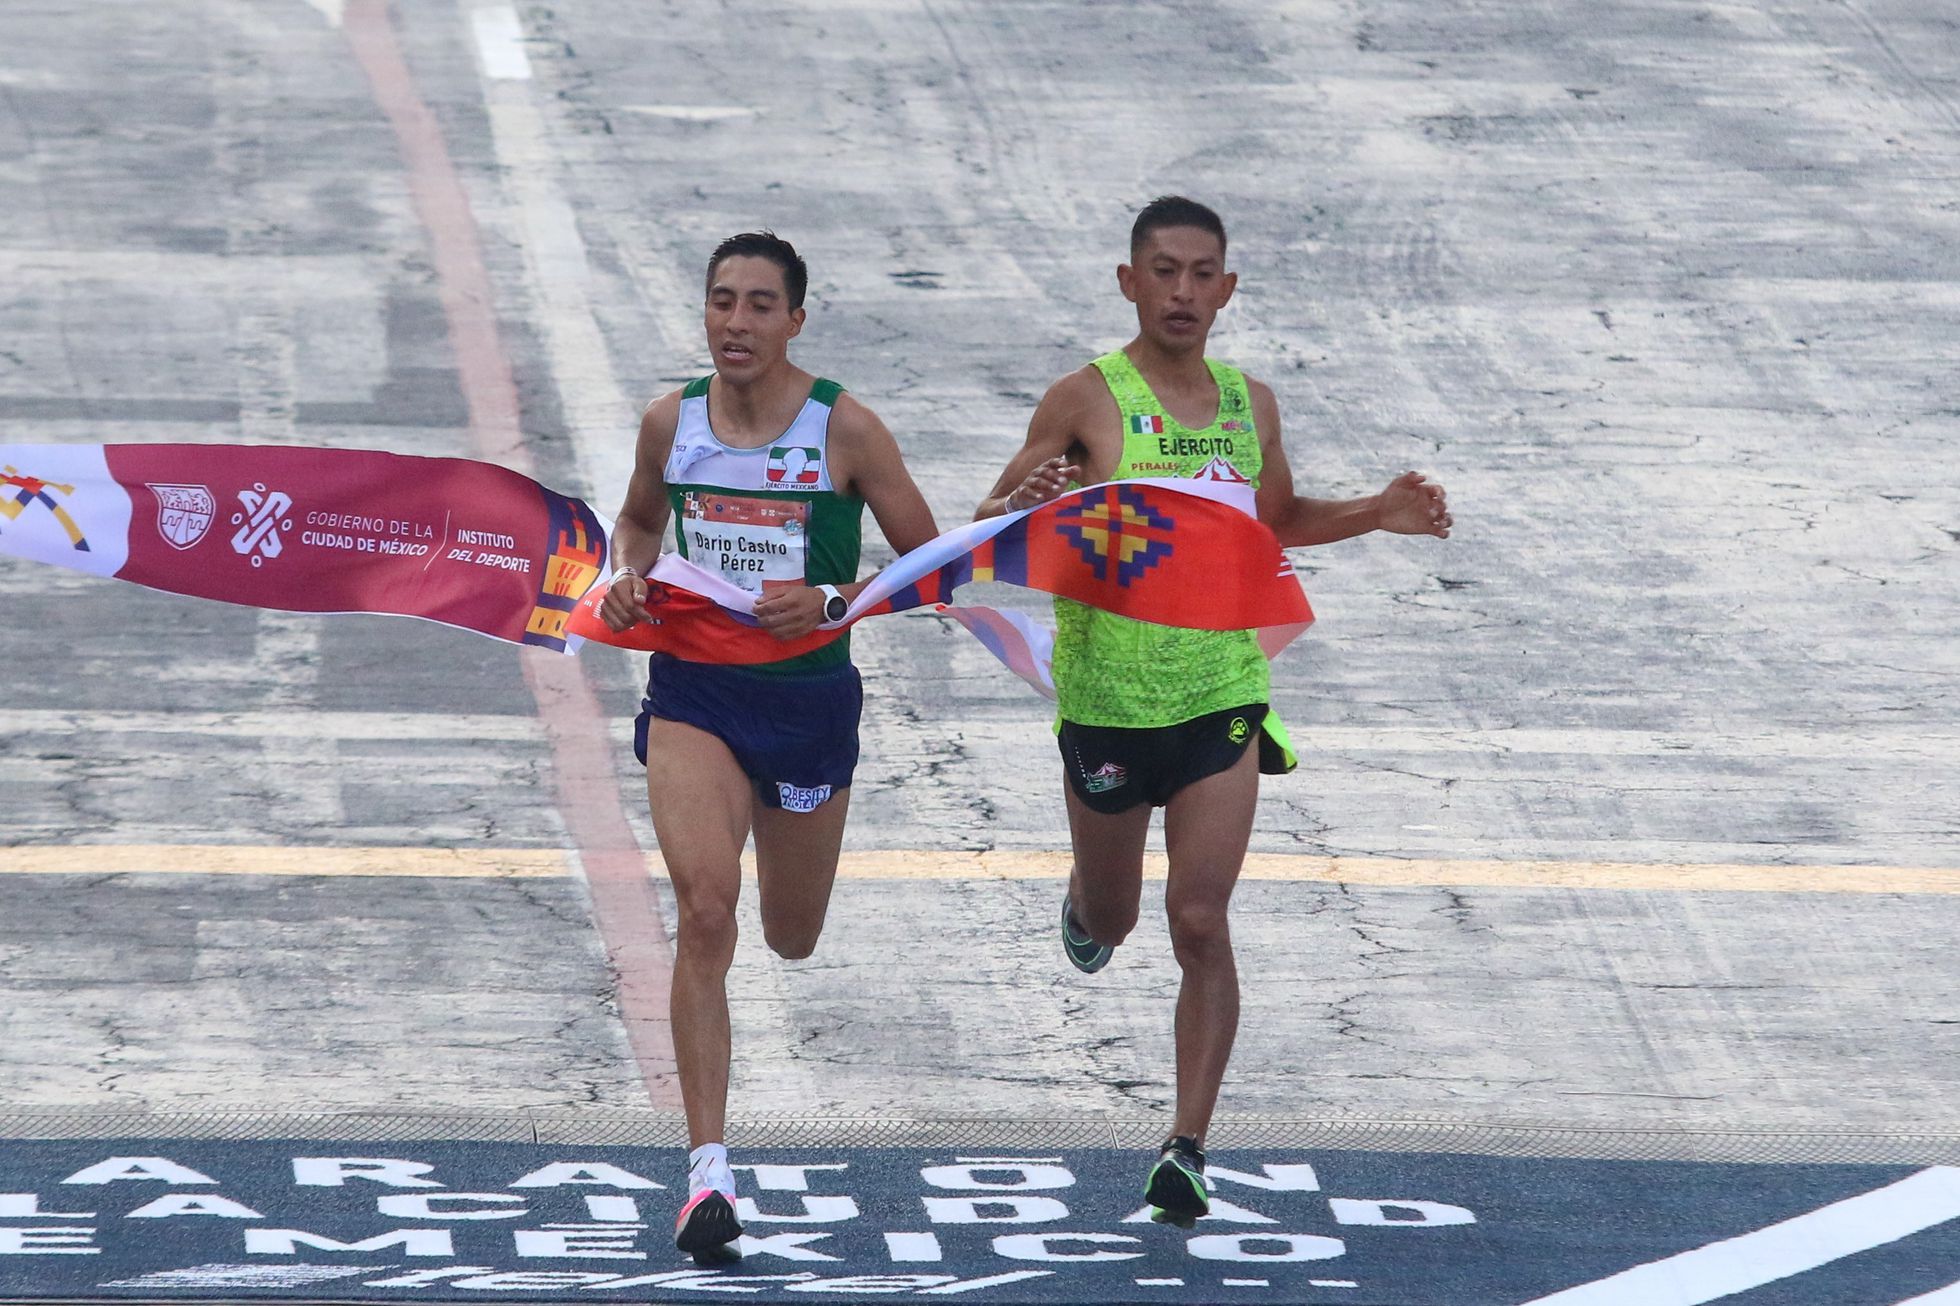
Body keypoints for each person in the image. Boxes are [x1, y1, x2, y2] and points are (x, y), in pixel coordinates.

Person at [974, 196, 1452, 1226]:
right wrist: (1025, 505)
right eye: (1163, 271)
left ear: (1225, 289)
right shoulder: (1084, 398)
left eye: (1201, 274)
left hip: (1219, 695)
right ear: (1129, 282)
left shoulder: (1249, 405)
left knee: (1199, 917)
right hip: (1105, 701)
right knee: (1117, 918)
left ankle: (1186, 1146)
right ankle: (1086, 904)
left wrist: (1377, 511)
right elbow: (987, 528)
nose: (1182, 292)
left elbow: (1276, 519)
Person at [600, 231, 939, 1262]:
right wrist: (627, 575)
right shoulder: (674, 420)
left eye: (758, 305)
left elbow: (929, 563)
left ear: (796, 319)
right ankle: (707, 1174)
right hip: (697, 693)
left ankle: (713, 1161)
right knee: (706, 910)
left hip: (806, 710)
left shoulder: (847, 429)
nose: (735, 323)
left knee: (791, 935)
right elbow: (636, 521)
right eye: (720, 302)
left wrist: (833, 599)